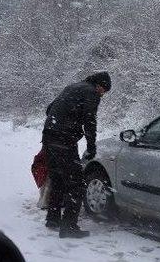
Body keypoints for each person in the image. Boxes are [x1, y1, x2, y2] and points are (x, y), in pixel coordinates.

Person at [42, 71, 111, 238]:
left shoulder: (72, 87)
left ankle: (53, 219)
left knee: (58, 178)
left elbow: (49, 109)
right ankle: (69, 226)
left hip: (48, 136)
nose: (102, 94)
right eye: (103, 91)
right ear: (99, 85)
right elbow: (90, 120)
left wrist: (61, 122)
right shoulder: (91, 93)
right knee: (77, 184)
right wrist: (91, 146)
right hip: (64, 141)